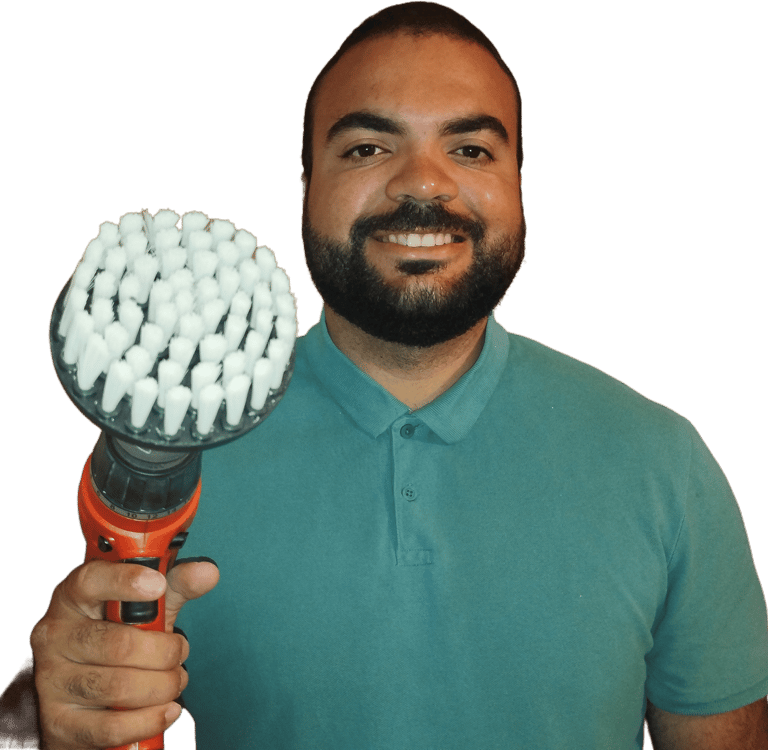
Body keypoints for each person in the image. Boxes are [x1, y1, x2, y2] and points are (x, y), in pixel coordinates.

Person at [3, 2, 767, 748]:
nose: (423, 183)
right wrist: (51, 722)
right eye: (368, 148)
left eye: (472, 150)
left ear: (520, 185)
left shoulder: (662, 463)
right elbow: (58, 708)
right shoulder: (179, 440)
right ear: (306, 184)